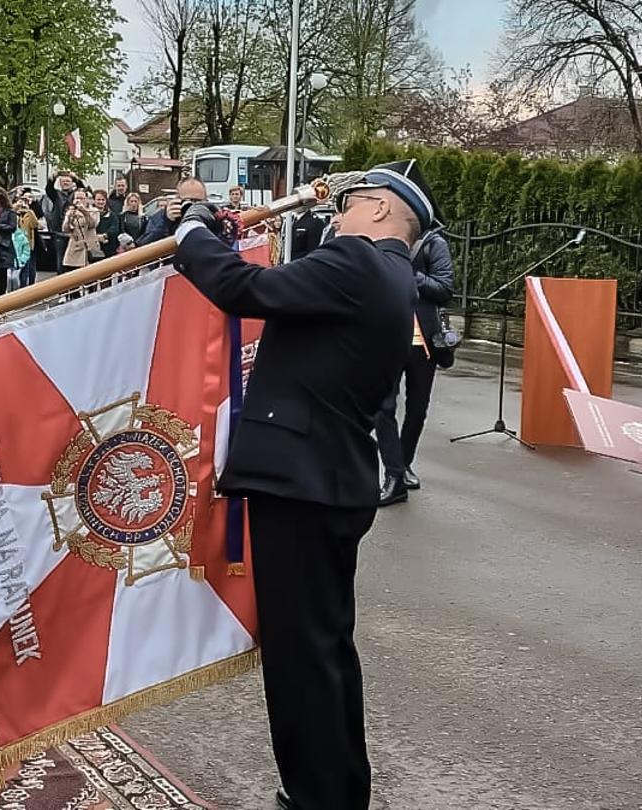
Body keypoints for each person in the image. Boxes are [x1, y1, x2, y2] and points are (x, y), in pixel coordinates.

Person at [169, 159, 434, 810]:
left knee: (300, 658)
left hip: (303, 484)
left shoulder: (358, 263)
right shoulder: (392, 275)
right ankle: (337, 791)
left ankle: (317, 796)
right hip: (329, 480)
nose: (336, 218)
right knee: (325, 650)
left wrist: (192, 232)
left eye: (348, 205)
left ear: (379, 208)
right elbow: (288, 293)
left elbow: (243, 289)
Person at [376, 227, 454, 506]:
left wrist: (409, 274)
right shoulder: (379, 240)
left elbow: (444, 288)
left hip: (423, 343)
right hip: (387, 337)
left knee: (417, 408)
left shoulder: (433, 243)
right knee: (383, 408)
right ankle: (394, 474)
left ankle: (404, 463)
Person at [139, 177, 209, 247]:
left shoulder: (210, 217)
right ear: (177, 199)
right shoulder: (160, 217)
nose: (192, 205)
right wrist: (167, 223)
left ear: (206, 201)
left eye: (197, 201)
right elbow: (145, 246)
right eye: (187, 200)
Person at [62, 188, 101, 273]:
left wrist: (84, 211)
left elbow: (93, 224)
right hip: (75, 246)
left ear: (86, 199)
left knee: (90, 273)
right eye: (77, 198)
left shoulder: (93, 210)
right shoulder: (71, 211)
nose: (79, 201)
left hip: (89, 246)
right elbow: (65, 229)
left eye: (82, 198)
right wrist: (69, 218)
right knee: (74, 274)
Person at [15, 190, 41, 287]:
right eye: (23, 199)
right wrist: (17, 206)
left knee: (29, 267)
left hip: (28, 243)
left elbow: (35, 224)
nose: (25, 201)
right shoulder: (16, 211)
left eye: (29, 198)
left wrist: (29, 210)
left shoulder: (32, 211)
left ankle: (29, 286)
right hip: (16, 243)